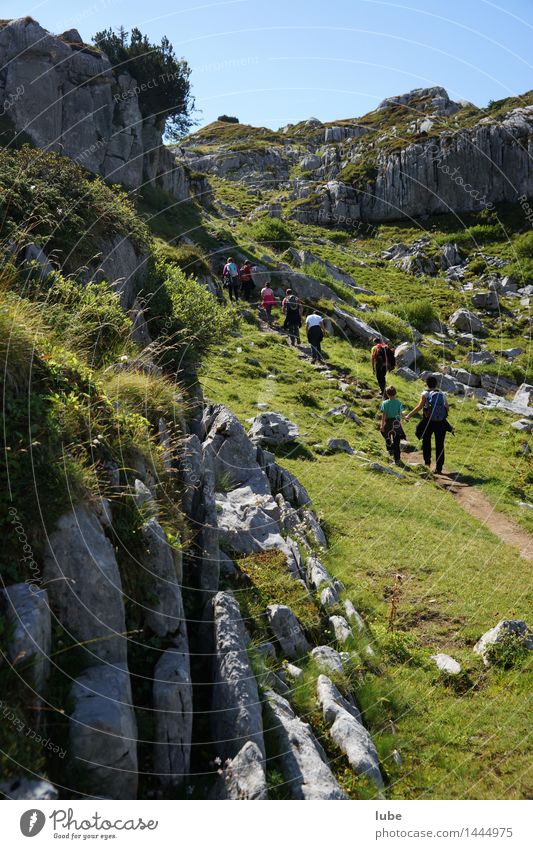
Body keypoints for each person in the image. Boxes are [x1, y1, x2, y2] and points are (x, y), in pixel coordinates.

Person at [405, 375, 449, 474]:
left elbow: (419, 407)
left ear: (426, 384)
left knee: (426, 442)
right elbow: (447, 407)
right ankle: (439, 468)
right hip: (441, 422)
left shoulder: (425, 393)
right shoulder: (441, 393)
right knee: (440, 445)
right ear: (436, 384)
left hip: (428, 421)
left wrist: (408, 415)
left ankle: (427, 463)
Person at [380, 385, 407, 466]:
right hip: (396, 424)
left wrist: (382, 425)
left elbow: (384, 415)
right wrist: (405, 418)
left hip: (388, 423)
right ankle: (397, 459)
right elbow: (400, 413)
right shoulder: (398, 403)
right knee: (397, 442)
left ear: (387, 394)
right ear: (395, 393)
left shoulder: (385, 403)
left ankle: (390, 448)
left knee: (386, 436)